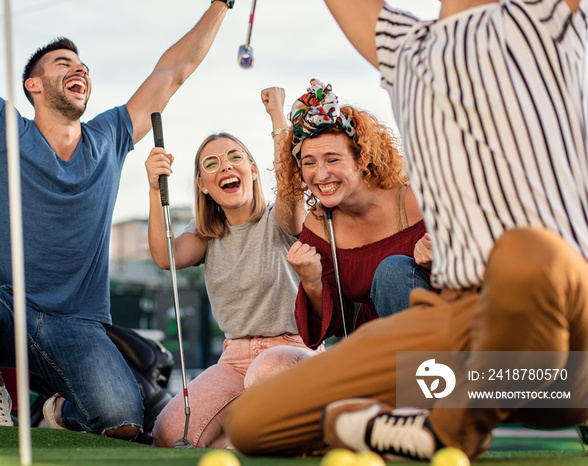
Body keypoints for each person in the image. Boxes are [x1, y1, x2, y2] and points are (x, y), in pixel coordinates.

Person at [225, 0, 588, 460]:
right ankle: (417, 420)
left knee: (525, 253)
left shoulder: (545, 15)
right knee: (255, 421)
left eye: (333, 159)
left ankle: (448, 428)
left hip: (565, 324)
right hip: (463, 329)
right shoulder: (405, 47)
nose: (321, 171)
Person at [0, 0, 233, 439]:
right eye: (64, 62)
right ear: (34, 84)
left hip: (77, 325)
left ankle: (57, 410)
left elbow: (174, 70)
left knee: (123, 422)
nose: (80, 69)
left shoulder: (109, 137)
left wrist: (223, 4)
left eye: (84, 65)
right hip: (6, 308)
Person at [144, 87, 322, 448]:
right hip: (234, 359)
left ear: (253, 170)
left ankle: (297, 426)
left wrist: (277, 119)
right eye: (211, 164)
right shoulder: (205, 233)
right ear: (203, 185)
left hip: (291, 349)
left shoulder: (281, 218)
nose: (224, 165)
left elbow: (291, 191)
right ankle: (250, 438)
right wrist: (152, 187)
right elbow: (166, 257)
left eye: (235, 157)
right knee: (170, 433)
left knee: (267, 372)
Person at [278, 79, 431, 349]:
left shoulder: (417, 199)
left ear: (362, 159)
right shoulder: (319, 225)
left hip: (449, 339)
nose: (321, 174)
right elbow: (338, 327)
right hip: (380, 349)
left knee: (392, 272)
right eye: (309, 163)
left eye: (333, 159)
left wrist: (442, 260)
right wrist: (311, 281)